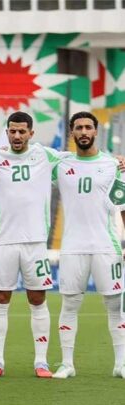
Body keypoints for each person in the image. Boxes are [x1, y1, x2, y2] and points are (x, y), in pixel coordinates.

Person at [0, 111, 64, 378]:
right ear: (7, 132)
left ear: (31, 133)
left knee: (37, 299)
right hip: (3, 241)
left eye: (22, 131)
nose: (17, 136)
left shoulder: (45, 155)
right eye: (12, 131)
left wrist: (115, 160)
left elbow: (80, 160)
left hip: (35, 241)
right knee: (0, 299)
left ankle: (41, 362)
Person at [52, 111, 125, 379]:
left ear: (95, 131)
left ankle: (121, 364)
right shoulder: (60, 164)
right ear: (71, 132)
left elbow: (123, 206)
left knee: (115, 306)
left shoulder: (113, 165)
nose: (83, 132)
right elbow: (27, 159)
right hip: (72, 247)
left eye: (88, 127)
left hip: (106, 246)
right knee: (69, 305)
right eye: (78, 128)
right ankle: (67, 364)